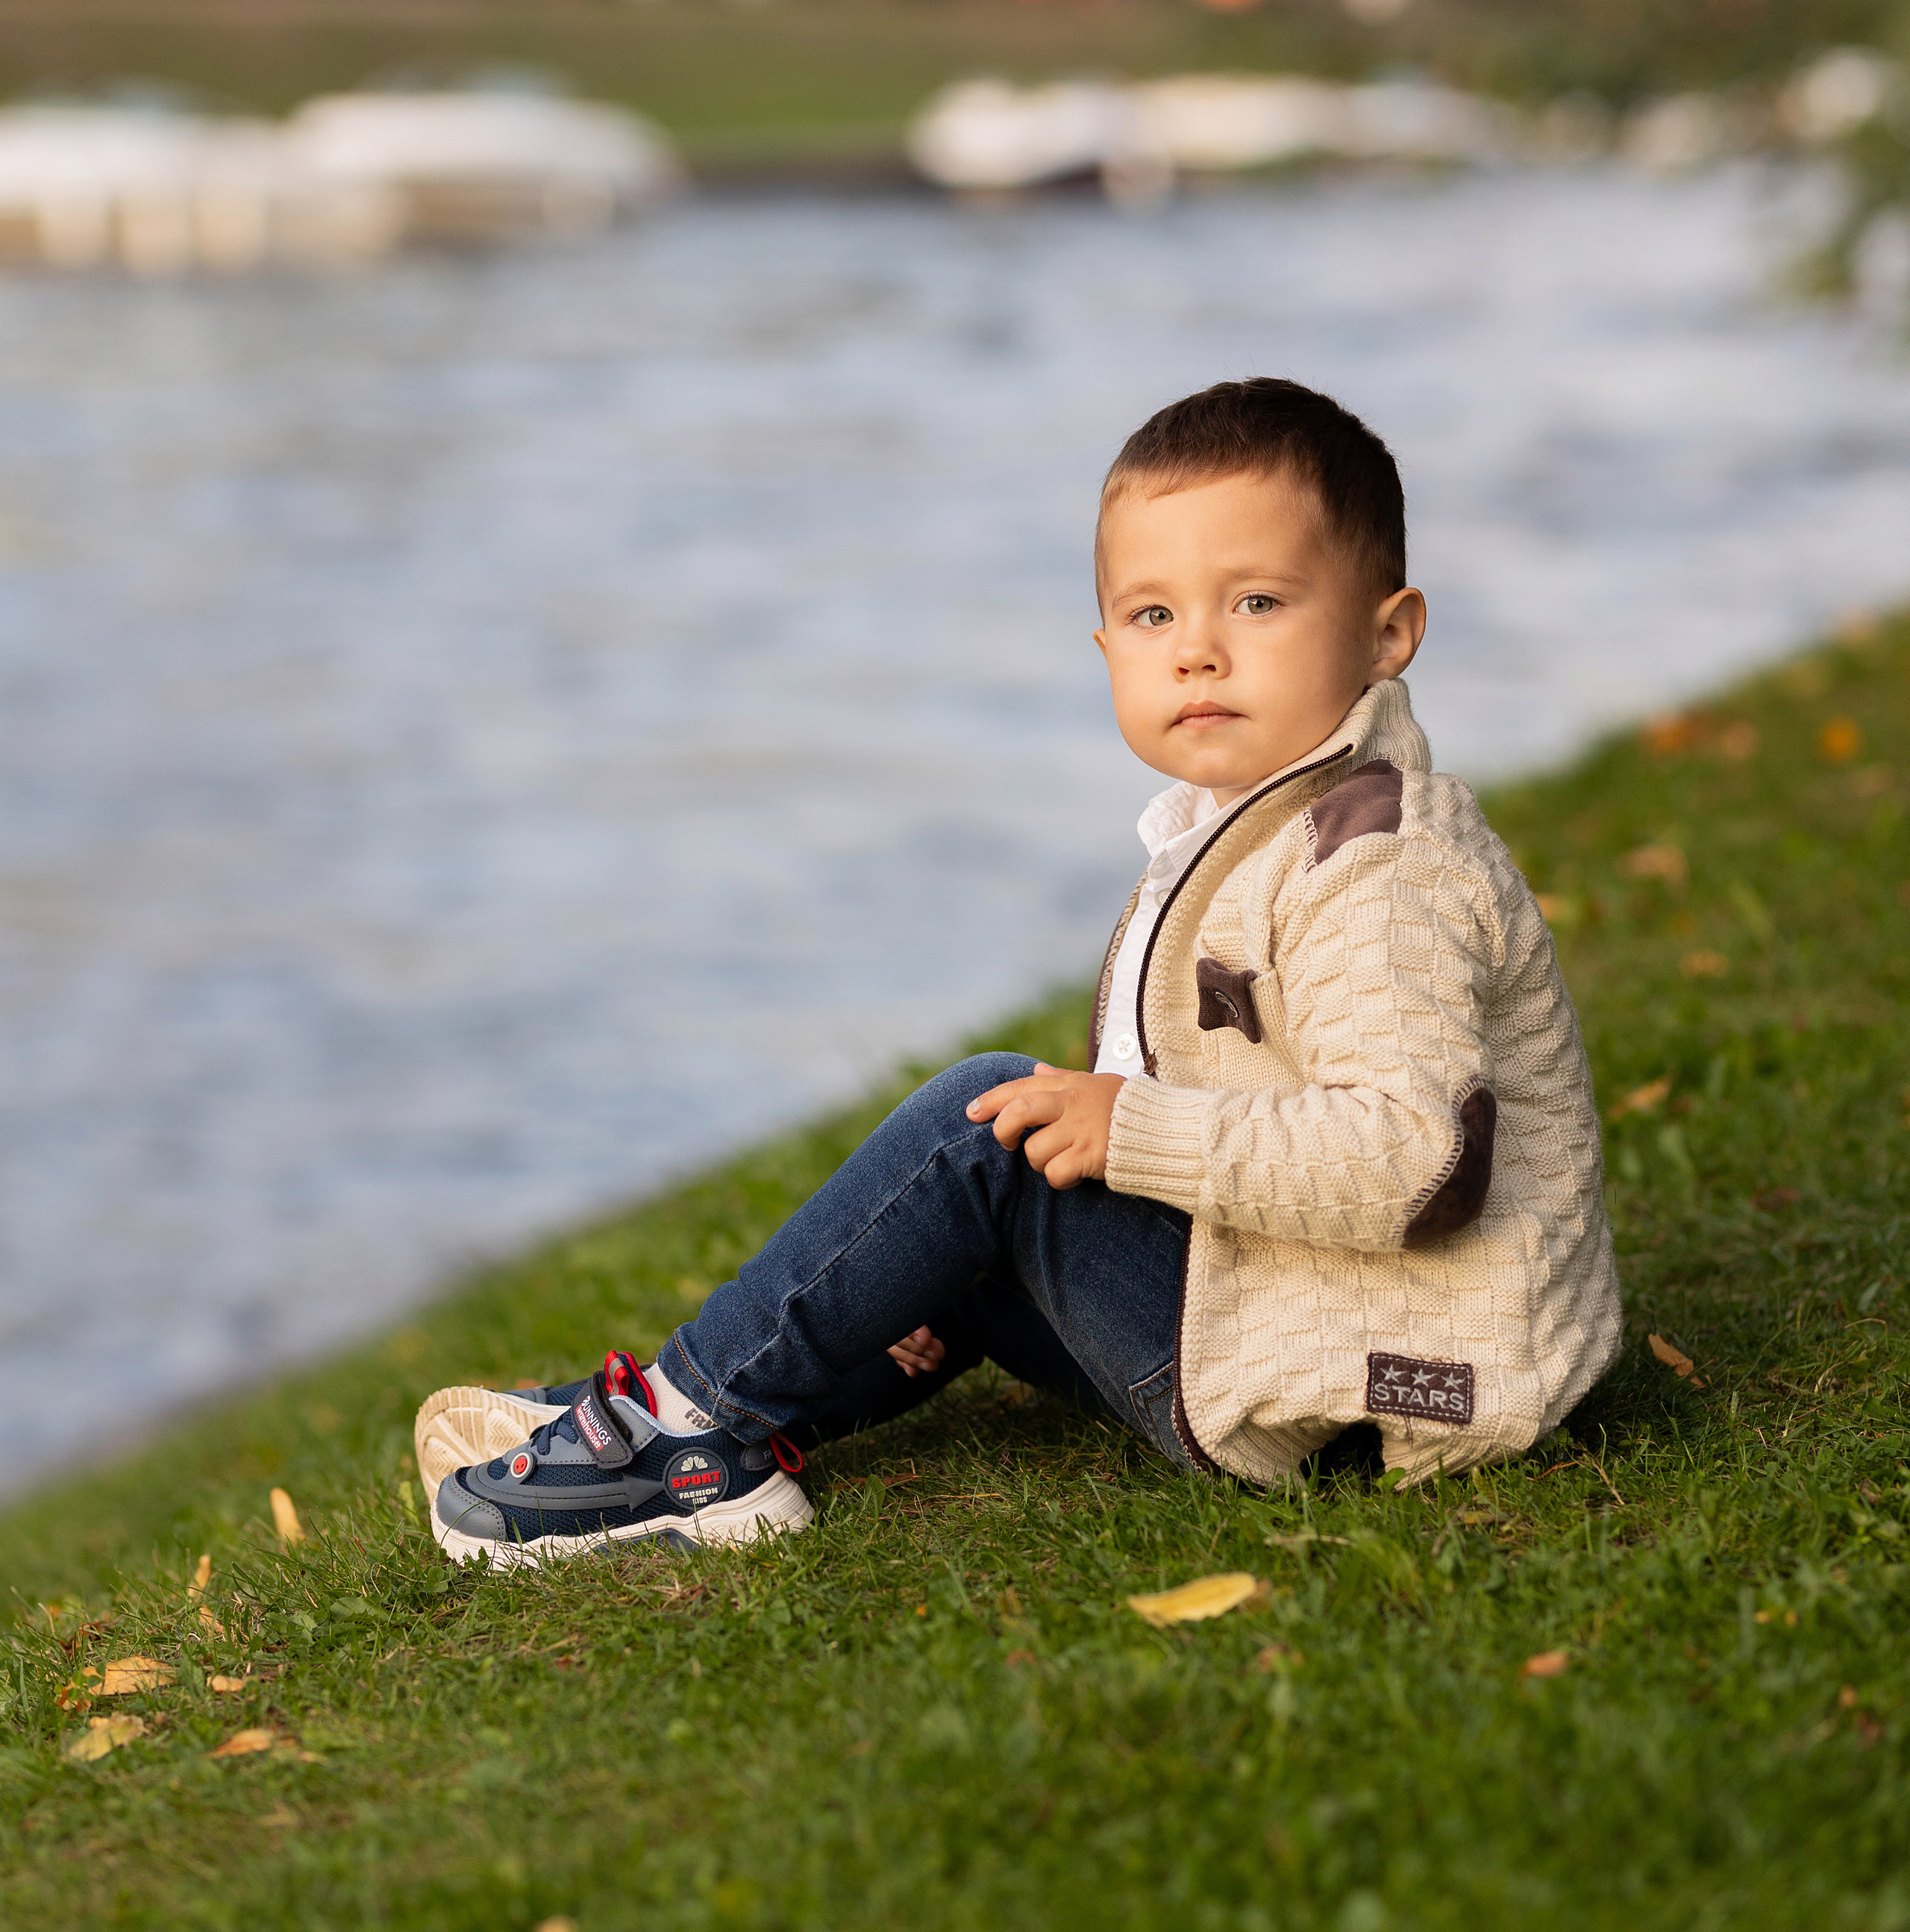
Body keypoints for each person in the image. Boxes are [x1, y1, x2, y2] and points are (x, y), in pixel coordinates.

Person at [415, 377, 1621, 1564]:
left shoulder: (1375, 869)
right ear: (1106, 645)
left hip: (1395, 1381)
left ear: (1387, 631)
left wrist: (1135, 1131)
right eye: (1153, 618)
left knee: (980, 1128)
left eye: (1255, 602)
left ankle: (682, 1438)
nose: (1196, 653)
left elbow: (1421, 1162)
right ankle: (700, 1409)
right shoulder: (1258, 822)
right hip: (1307, 1322)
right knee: (975, 1212)